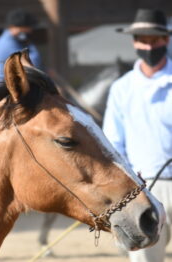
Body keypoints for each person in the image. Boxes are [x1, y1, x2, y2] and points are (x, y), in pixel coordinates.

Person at [103, 9, 172, 262]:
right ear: (134, 43)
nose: (149, 46)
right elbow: (113, 144)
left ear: (166, 40)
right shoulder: (122, 89)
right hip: (142, 189)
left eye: (155, 40)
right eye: (143, 40)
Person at [0, 8, 42, 81]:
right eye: (27, 28)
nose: (30, 31)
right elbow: (33, 63)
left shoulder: (15, 41)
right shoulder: (7, 43)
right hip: (11, 89)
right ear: (15, 27)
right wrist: (29, 44)